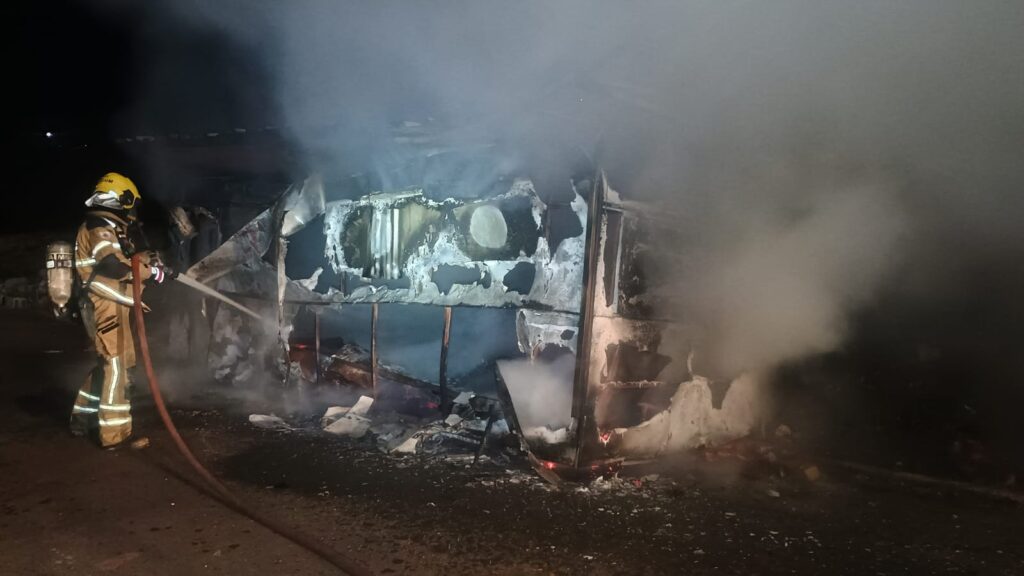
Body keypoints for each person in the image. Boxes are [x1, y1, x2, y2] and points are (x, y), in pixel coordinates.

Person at [69, 172, 175, 449]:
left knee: (109, 366)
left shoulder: (105, 226)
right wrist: (151, 273)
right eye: (131, 204)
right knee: (118, 370)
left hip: (111, 305)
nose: (132, 211)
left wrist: (146, 261)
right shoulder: (99, 227)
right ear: (122, 199)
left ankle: (82, 418)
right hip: (103, 306)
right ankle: (114, 435)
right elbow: (111, 265)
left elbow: (119, 259)